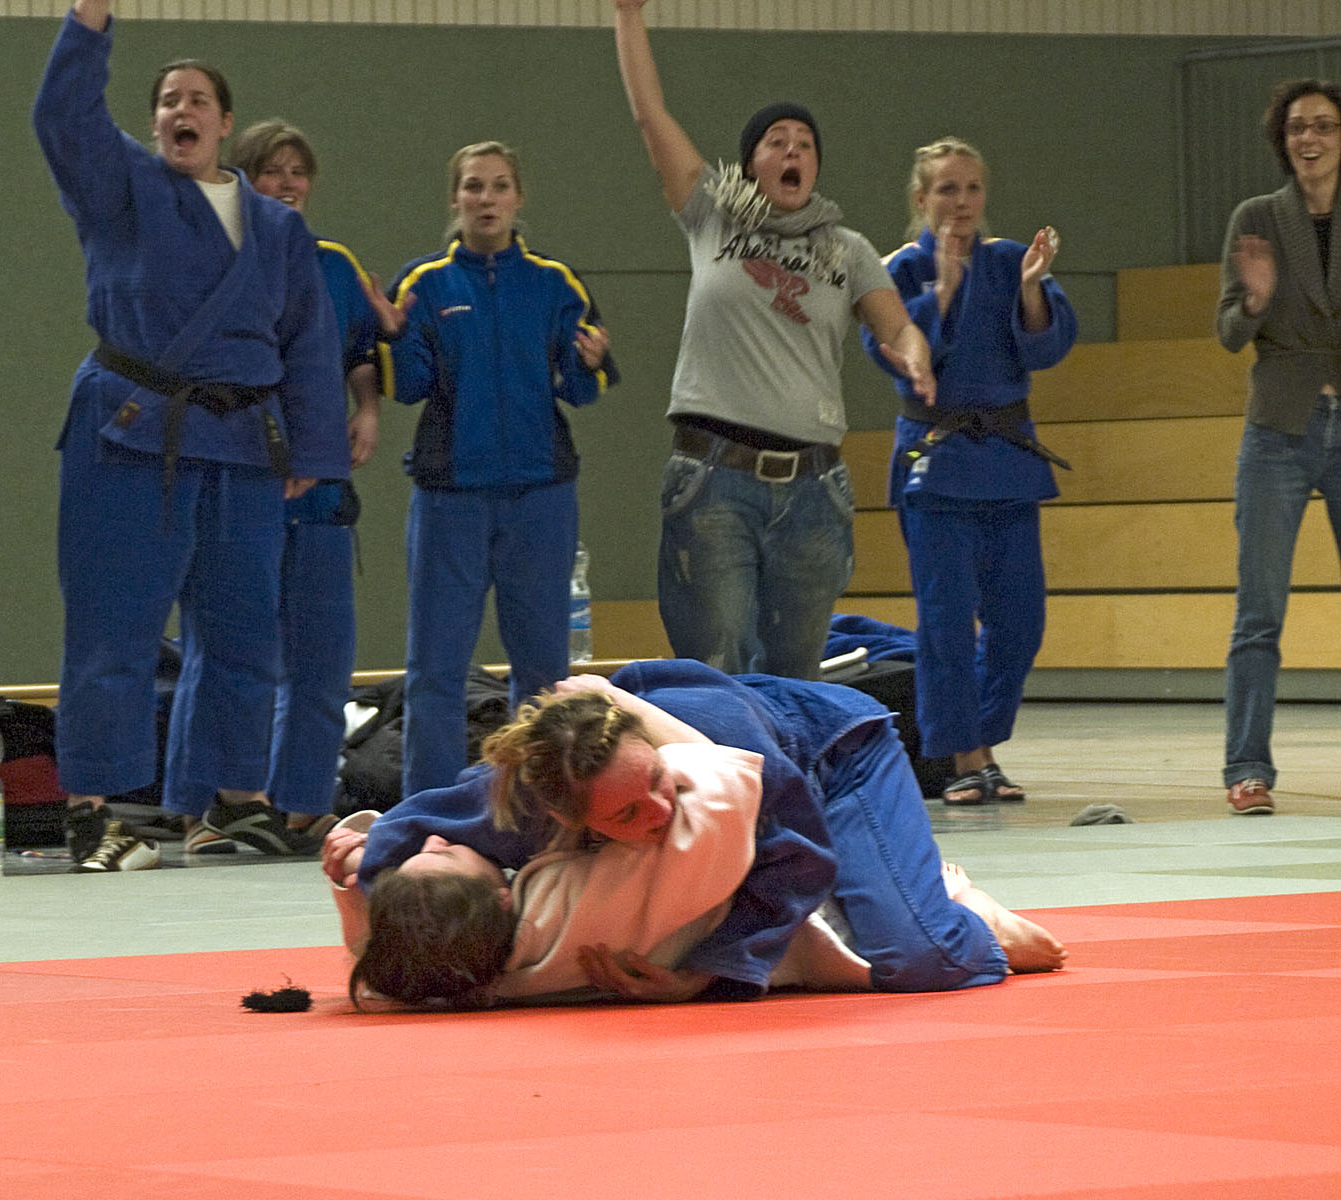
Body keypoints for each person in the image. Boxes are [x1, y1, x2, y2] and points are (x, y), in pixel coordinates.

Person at [33, 0, 349, 871]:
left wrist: (312, 456)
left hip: (245, 445)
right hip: (132, 431)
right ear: (154, 123)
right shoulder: (124, 188)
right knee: (114, 627)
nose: (182, 110)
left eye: (197, 99)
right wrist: (89, 25)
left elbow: (308, 348)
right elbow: (61, 117)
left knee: (245, 633)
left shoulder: (278, 228)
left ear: (224, 123)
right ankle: (93, 804)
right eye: (167, 100)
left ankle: (225, 801)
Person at [326, 659, 1064, 1008]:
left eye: (656, 784)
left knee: (919, 960)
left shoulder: (721, 764)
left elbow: (795, 863)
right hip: (758, 771)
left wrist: (710, 973)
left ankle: (946, 897)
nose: (657, 812)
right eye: (623, 817)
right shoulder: (521, 797)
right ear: (562, 815)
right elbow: (422, 823)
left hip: (833, 762)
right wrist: (363, 865)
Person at [611, 0, 935, 682]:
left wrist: (911, 351)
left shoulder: (846, 249)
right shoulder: (712, 218)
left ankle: (783, 790)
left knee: (793, 674)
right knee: (713, 664)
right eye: (776, 141)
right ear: (751, 161)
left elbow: (893, 322)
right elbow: (650, 120)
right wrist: (627, 16)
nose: (792, 151)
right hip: (714, 481)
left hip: (814, 490)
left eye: (804, 144)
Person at [388, 140, 617, 799]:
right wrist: (395, 336)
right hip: (450, 499)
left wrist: (593, 359)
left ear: (518, 198)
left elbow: (581, 389)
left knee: (543, 670)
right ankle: (428, 809)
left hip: (540, 497)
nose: (485, 199)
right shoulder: (422, 284)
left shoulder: (555, 283)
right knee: (435, 667)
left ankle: (542, 805)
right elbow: (406, 387)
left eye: (497, 186)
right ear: (454, 199)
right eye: (472, 187)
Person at [860, 138, 1076, 806]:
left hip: (1008, 459)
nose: (960, 202)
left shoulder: (1011, 260)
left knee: (1019, 624)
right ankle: (962, 758)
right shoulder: (895, 272)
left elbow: (1046, 347)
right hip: (938, 459)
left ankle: (977, 742)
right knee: (946, 621)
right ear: (919, 198)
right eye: (946, 189)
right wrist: (943, 295)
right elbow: (897, 353)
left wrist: (1033, 290)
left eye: (971, 188)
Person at [221, 119, 402, 852]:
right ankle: (232, 802)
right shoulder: (220, 260)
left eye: (298, 171)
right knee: (239, 657)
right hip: (247, 492)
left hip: (325, 500)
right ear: (244, 180)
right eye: (272, 171)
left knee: (322, 663)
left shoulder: (336, 265)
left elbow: (362, 350)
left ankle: (302, 803)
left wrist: (365, 408)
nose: (288, 184)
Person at [1217, 78, 1341, 818]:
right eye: (1297, 127)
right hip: (1279, 427)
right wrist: (1256, 297)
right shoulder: (1257, 217)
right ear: (1281, 138)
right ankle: (1246, 768)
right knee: (1257, 610)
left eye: (1324, 125)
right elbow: (1229, 332)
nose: (1309, 138)